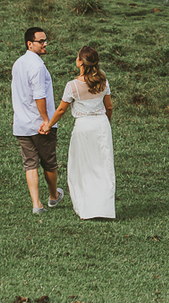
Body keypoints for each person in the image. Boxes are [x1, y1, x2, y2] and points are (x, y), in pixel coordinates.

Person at [43, 46, 115, 219]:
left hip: (83, 127)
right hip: (101, 125)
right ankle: (105, 208)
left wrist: (48, 125)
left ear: (80, 62)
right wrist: (106, 124)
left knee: (83, 166)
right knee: (103, 166)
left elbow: (61, 110)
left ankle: (87, 208)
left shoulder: (73, 86)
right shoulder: (103, 82)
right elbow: (109, 107)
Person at [11, 27, 64, 215]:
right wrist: (46, 120)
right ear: (29, 43)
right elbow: (39, 95)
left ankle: (36, 204)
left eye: (45, 40)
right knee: (49, 162)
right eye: (41, 41)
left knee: (30, 163)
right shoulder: (38, 66)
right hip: (39, 124)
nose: (45, 44)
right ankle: (52, 196)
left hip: (21, 123)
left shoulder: (18, 63)